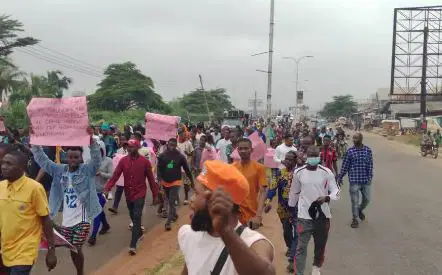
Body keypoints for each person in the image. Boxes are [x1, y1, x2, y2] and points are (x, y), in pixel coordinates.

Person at [178, 160, 275, 275]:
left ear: (217, 201)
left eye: (196, 193)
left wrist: (226, 231)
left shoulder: (254, 242)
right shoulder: (187, 235)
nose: (191, 200)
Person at [31, 128, 101, 275]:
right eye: (70, 157)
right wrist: (35, 141)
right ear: (66, 158)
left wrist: (91, 142)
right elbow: (42, 160)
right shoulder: (59, 170)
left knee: (75, 246)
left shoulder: (86, 170)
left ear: (81, 157)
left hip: (83, 219)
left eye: (76, 157)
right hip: (66, 220)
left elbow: (96, 160)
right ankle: (73, 267)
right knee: (69, 248)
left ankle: (80, 272)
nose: (73, 160)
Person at [0, 150, 57, 275]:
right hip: (4, 249)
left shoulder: (35, 188)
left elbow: (46, 219)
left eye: (9, 164)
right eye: (3, 163)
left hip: (25, 250)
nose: (3, 166)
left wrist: (51, 250)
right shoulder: (1, 187)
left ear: (22, 168)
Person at [288, 146, 340, 275]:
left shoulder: (326, 172)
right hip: (303, 217)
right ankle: (298, 272)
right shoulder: (299, 172)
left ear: (319, 156)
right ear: (306, 156)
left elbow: (336, 191)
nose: (313, 158)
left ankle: (316, 268)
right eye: (311, 155)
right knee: (301, 248)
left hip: (322, 216)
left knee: (320, 246)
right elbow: (294, 192)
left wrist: (327, 197)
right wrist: (291, 210)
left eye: (315, 155)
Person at [104, 139, 158, 255]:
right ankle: (139, 233)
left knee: (137, 215)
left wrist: (155, 195)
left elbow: (151, 180)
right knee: (132, 214)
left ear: (137, 148)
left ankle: (133, 244)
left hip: (140, 192)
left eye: (131, 147)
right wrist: (108, 188)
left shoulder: (145, 162)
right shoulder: (123, 161)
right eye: (127, 146)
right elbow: (115, 176)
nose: (129, 148)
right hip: (128, 193)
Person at [265, 151, 298, 272]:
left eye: (290, 159)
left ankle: (292, 259)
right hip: (283, 209)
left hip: (298, 209)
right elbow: (272, 188)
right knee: (286, 233)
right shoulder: (279, 173)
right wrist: (268, 201)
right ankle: (290, 248)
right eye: (286, 159)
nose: (288, 161)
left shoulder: (300, 173)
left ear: (295, 161)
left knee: (298, 235)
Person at [337, 133, 373, 229]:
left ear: (361, 139)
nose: (354, 139)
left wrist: (370, 176)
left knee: (367, 200)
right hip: (354, 180)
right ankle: (355, 219)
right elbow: (345, 166)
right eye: (353, 138)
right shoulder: (350, 152)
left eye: (356, 138)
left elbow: (370, 164)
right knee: (355, 201)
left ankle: (359, 210)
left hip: (365, 180)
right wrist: (340, 177)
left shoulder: (367, 150)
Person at [157, 138, 194, 231]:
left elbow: (187, 170)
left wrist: (192, 181)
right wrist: (159, 180)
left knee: (171, 202)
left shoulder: (180, 156)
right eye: (170, 144)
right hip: (165, 182)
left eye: (174, 145)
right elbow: (159, 168)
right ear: (167, 145)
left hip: (176, 181)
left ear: (176, 145)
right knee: (169, 200)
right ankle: (175, 215)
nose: (172, 146)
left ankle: (168, 222)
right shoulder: (162, 155)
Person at [232, 138, 268, 228]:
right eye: (240, 148)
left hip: (251, 213)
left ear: (251, 150)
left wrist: (258, 216)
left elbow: (263, 192)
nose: (243, 151)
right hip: (234, 213)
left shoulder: (259, 168)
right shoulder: (232, 168)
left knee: (248, 241)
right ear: (237, 150)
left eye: (246, 148)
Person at [88, 144, 112, 246]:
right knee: (99, 211)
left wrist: (101, 173)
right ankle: (105, 225)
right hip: (92, 191)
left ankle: (93, 235)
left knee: (96, 213)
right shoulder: (90, 161)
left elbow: (111, 175)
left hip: (103, 191)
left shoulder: (108, 161)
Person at [177, 131, 194, 205]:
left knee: (186, 184)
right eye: (181, 134)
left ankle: (186, 198)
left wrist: (188, 154)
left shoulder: (188, 143)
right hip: (177, 167)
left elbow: (192, 154)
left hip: (186, 166)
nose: (183, 136)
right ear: (179, 135)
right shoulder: (176, 144)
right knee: (176, 183)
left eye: (184, 134)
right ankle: (176, 199)